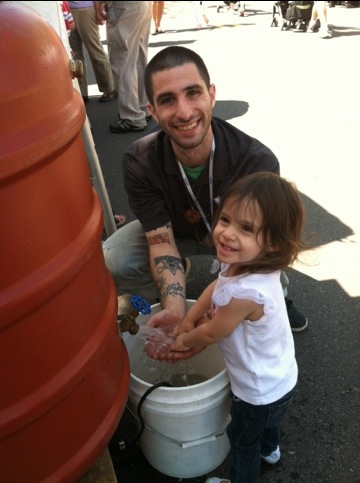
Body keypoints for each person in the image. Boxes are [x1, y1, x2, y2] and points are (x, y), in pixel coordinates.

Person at [102, 46, 308, 351]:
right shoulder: (138, 161)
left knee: (259, 271)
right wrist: (175, 308)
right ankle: (167, 286)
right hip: (175, 232)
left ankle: (276, 295)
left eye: (193, 93)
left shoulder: (256, 161)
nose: (184, 112)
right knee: (113, 258)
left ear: (211, 94)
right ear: (153, 111)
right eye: (167, 100)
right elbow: (160, 241)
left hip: (240, 237)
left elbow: (265, 241)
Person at [167, 172, 304, 483]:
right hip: (280, 377)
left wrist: (185, 338)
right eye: (225, 219)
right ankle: (272, 451)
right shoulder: (248, 262)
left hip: (256, 392)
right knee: (268, 427)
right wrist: (190, 315)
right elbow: (218, 284)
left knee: (242, 441)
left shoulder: (247, 293)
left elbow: (214, 332)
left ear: (272, 241)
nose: (227, 233)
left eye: (246, 228)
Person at [104, 1, 153, 133]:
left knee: (123, 61)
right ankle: (142, 107)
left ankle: (133, 116)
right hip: (142, 5)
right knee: (138, 57)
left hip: (126, 6)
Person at [68, 1, 117, 103]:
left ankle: (110, 88)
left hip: (85, 9)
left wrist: (98, 10)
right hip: (68, 10)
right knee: (75, 55)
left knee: (95, 51)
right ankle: (82, 92)